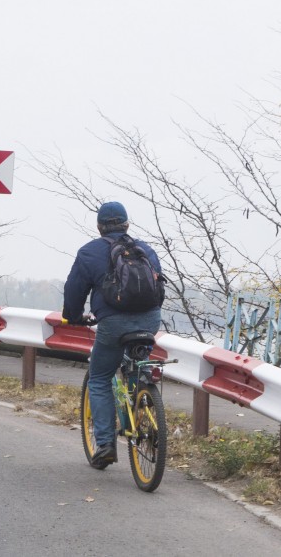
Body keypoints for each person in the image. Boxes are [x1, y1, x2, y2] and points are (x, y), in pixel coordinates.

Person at [62, 201, 163, 469]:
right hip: (150, 320)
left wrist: (73, 316)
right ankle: (142, 390)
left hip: (113, 324)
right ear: (127, 224)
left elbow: (74, 291)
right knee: (137, 361)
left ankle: (105, 444)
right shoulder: (146, 249)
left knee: (99, 378)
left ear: (99, 227)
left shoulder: (89, 252)